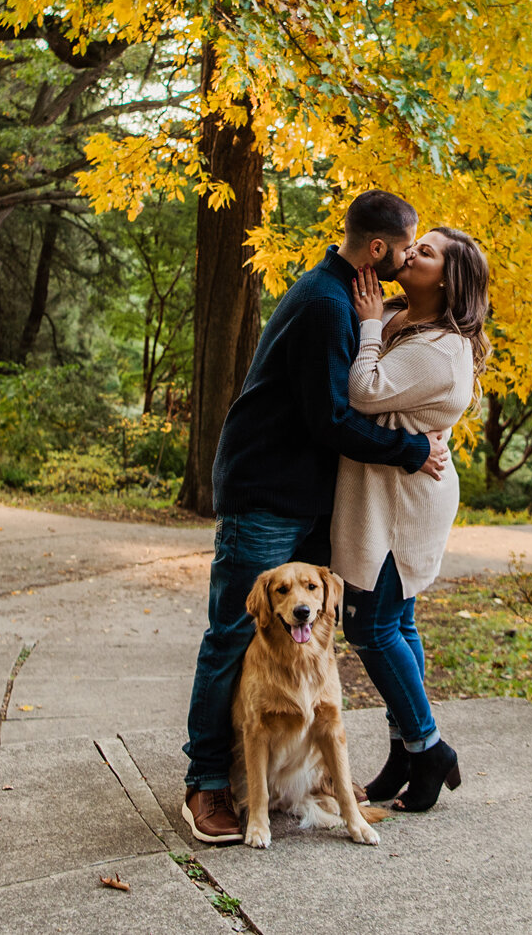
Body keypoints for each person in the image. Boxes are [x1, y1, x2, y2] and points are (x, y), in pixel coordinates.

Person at [180, 190, 452, 845]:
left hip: (300, 498)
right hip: (266, 493)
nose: (411, 254)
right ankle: (206, 784)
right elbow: (332, 416)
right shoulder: (326, 303)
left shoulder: (341, 298)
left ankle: (311, 770)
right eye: (408, 245)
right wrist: (414, 449)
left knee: (309, 633)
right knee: (231, 636)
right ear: (379, 249)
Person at [332, 226, 490, 813]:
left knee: (371, 628)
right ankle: (405, 753)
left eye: (426, 252)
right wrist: (378, 319)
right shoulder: (401, 315)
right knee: (398, 624)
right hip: (393, 484)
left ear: (448, 278)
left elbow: (365, 391)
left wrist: (369, 325)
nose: (410, 252)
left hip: (403, 501)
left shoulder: (441, 348)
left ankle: (430, 749)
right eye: (414, 244)